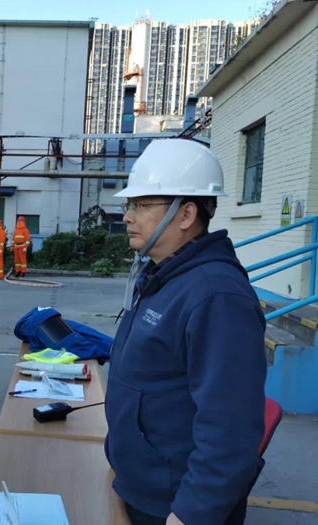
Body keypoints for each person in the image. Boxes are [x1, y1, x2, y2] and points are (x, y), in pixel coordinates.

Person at [104, 139, 267, 525]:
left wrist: (190, 514)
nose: (127, 216)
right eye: (130, 205)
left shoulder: (216, 296)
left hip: (174, 506)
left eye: (141, 205)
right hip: (140, 485)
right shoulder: (164, 275)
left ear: (186, 214)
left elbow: (230, 431)